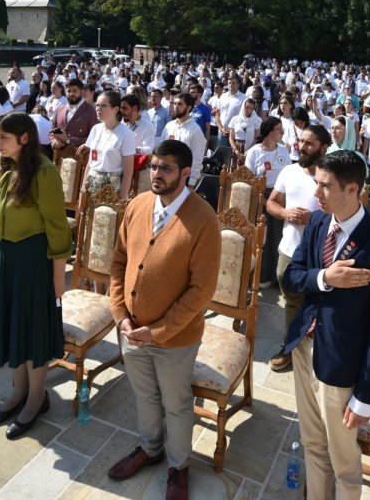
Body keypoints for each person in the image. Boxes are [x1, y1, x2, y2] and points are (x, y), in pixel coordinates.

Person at [281, 150, 370, 500]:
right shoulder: (318, 224)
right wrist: (325, 278)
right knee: (312, 443)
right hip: (305, 349)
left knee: (344, 461)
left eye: (325, 186)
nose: (316, 193)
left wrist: (365, 396)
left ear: (352, 189)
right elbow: (291, 277)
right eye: (316, 183)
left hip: (341, 364)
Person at [106, 140, 221, 500]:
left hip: (174, 338)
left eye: (165, 168)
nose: (156, 174)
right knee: (144, 395)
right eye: (154, 166)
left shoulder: (203, 219)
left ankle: (178, 466)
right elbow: (118, 262)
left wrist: (158, 332)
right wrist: (120, 314)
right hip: (131, 329)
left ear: (186, 173)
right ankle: (150, 448)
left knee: (176, 403)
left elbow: (201, 291)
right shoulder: (138, 205)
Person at [0, 112, 71, 439]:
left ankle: (36, 398)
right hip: (5, 258)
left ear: (25, 138)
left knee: (32, 331)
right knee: (12, 327)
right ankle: (18, 392)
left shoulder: (44, 172)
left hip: (32, 260)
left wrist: (58, 279)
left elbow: (58, 228)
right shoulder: (5, 168)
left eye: (3, 137)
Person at [266, 124, 330, 370]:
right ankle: (291, 347)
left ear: (323, 148)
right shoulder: (289, 171)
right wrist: (285, 213)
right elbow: (272, 203)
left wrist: (313, 219)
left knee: (321, 303)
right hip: (290, 249)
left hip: (322, 254)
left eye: (309, 143)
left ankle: (318, 351)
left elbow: (344, 214)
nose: (302, 147)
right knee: (292, 301)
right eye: (301, 141)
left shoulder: (332, 177)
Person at [245, 116, 292, 289]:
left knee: (277, 237)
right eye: (280, 130)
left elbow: (289, 177)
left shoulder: (284, 151)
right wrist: (264, 200)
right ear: (270, 132)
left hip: (280, 198)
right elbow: (248, 180)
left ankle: (275, 276)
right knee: (262, 239)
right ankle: (261, 276)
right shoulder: (254, 152)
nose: (282, 133)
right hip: (260, 199)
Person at [80, 90, 135, 199]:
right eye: (97, 105)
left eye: (104, 106)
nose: (98, 109)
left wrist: (123, 197)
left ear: (116, 109)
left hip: (111, 190)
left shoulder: (126, 133)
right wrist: (83, 190)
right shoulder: (95, 129)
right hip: (91, 185)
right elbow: (90, 164)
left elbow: (128, 171)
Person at [162, 92, 207, 186]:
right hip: (165, 175)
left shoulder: (195, 130)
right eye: (175, 103)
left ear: (189, 107)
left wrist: (191, 183)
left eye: (180, 104)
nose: (176, 107)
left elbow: (197, 159)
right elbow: (161, 151)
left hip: (183, 179)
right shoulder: (169, 126)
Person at [48, 78, 98, 153]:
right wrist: (53, 141)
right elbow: (52, 130)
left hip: (79, 157)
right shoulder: (61, 108)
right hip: (58, 155)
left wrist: (68, 140)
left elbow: (94, 138)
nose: (71, 94)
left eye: (74, 91)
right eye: (69, 91)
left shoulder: (90, 111)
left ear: (81, 92)